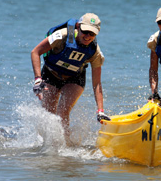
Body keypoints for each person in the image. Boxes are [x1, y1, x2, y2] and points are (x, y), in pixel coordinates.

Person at [31, 13, 111, 144]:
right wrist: (38, 79)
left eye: (92, 34)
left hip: (75, 78)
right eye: (85, 31)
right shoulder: (61, 36)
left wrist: (100, 111)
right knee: (49, 114)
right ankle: (47, 146)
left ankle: (66, 146)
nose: (88, 36)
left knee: (63, 111)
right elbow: (35, 52)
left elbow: (97, 84)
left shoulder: (94, 51)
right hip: (51, 74)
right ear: (78, 27)